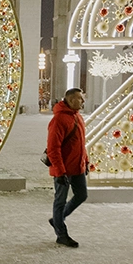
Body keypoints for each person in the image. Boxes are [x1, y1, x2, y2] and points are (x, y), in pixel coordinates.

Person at [46, 88, 87, 248]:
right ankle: (61, 234)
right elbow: (53, 148)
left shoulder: (77, 116)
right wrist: (60, 171)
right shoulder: (59, 120)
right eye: (79, 98)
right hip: (63, 169)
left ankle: (58, 219)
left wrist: (85, 160)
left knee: (82, 195)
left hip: (78, 167)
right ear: (70, 100)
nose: (82, 101)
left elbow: (80, 143)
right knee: (60, 201)